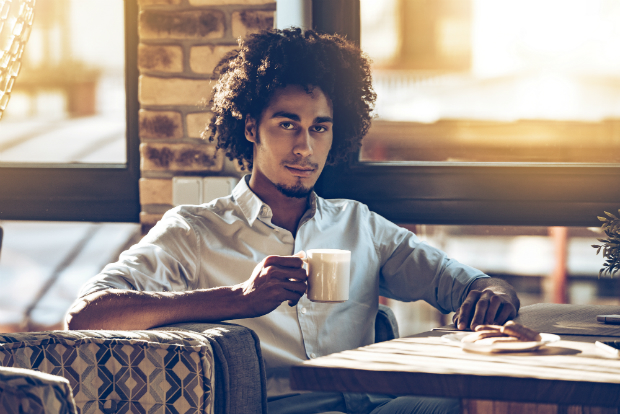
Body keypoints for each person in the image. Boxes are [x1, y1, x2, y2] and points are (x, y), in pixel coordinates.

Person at [66, 28, 520, 414]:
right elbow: (87, 315)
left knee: (475, 398)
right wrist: (238, 299)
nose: (304, 147)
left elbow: (464, 283)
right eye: (287, 125)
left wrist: (492, 291)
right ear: (250, 127)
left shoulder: (359, 224)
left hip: (372, 405)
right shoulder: (194, 231)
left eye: (319, 128)